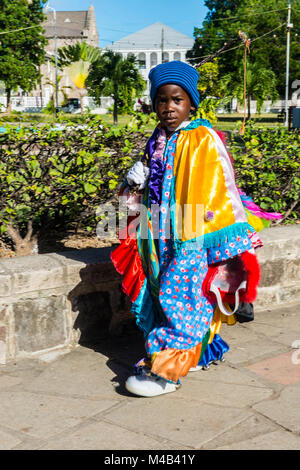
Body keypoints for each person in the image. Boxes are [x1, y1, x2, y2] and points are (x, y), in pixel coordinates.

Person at [111, 61, 278, 397]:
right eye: (161, 100)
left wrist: (201, 240)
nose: (168, 107)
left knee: (182, 297)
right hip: (158, 236)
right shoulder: (159, 137)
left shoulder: (202, 138)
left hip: (190, 237)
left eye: (177, 100)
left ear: (191, 103)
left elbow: (219, 188)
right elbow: (148, 182)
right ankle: (195, 352)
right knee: (165, 295)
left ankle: (167, 370)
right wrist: (136, 179)